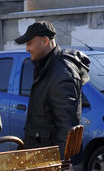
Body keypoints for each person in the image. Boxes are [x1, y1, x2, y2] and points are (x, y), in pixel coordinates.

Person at [14, 21, 90, 159]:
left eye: (29, 43)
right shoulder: (46, 65)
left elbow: (67, 124)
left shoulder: (62, 73)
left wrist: (62, 164)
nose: (27, 49)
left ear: (45, 41)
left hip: (51, 160)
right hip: (40, 154)